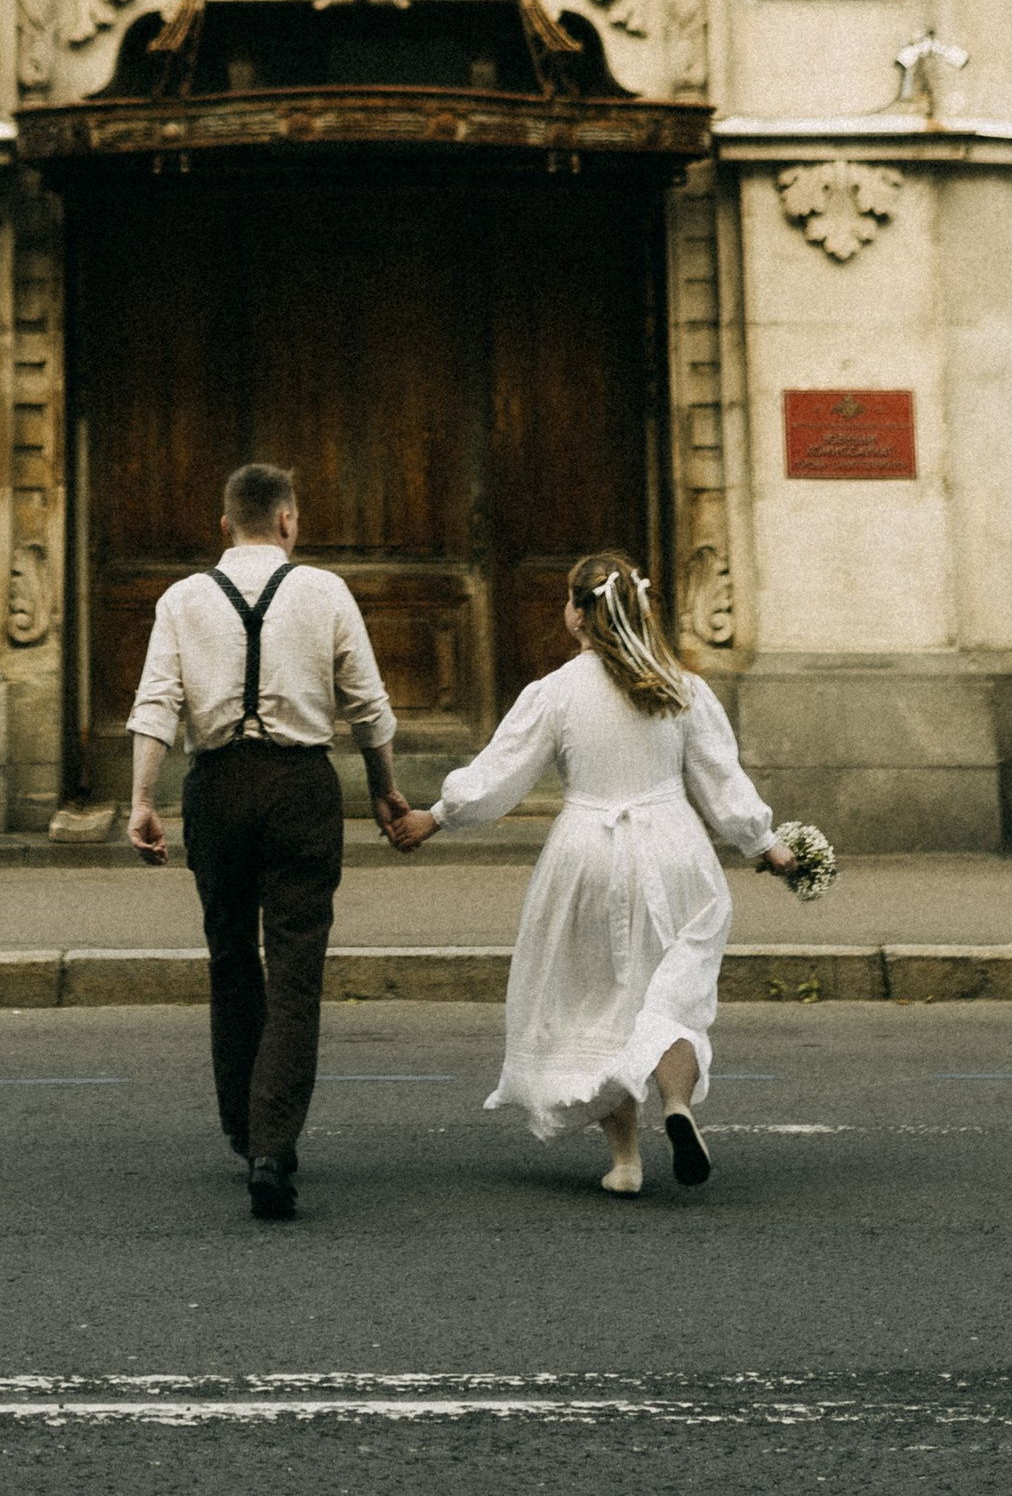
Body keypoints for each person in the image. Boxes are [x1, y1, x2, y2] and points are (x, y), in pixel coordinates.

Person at [384, 548, 801, 1196]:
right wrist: (765, 844)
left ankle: (627, 1162)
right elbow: (722, 780)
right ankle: (679, 1107)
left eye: (567, 602)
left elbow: (500, 775)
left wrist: (434, 817)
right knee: (672, 996)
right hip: (673, 850)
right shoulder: (680, 688)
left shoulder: (557, 693)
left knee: (600, 1002)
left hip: (589, 854)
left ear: (580, 616)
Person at [127, 459, 407, 1223]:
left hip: (215, 789)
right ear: (288, 521)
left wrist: (142, 801)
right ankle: (272, 1147)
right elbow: (369, 708)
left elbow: (158, 703)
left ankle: (242, 1125)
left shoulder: (183, 599)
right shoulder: (325, 592)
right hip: (299, 788)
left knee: (229, 958)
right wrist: (384, 789)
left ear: (226, 525)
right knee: (295, 968)